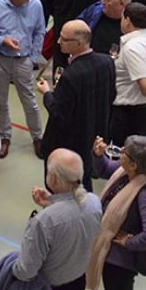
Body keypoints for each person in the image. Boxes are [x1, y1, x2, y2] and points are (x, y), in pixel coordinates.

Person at [0, 148, 102, 290]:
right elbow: (72, 215)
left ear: (53, 179)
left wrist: (7, 265)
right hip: (78, 281)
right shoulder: (94, 203)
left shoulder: (44, 221)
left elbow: (25, 272)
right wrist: (52, 202)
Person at [37, 20, 116, 190]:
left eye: (64, 39)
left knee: (61, 188)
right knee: (84, 181)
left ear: (79, 43)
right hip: (93, 139)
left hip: (68, 144)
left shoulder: (71, 76)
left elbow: (59, 114)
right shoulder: (107, 62)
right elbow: (111, 96)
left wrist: (47, 94)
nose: (58, 42)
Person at [87, 136, 146, 290]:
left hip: (119, 261)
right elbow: (105, 169)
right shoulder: (128, 171)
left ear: (133, 165)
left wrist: (128, 242)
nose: (120, 151)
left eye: (125, 152)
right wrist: (98, 155)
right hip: (107, 246)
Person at [0, 0, 47, 159]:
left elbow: (40, 31)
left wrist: (33, 58)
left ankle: (38, 137)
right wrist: (2, 40)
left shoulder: (36, 4)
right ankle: (4, 136)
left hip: (24, 60)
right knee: (1, 102)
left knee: (30, 102)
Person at [110, 4, 146, 144]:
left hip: (132, 113)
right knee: (140, 148)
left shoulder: (133, 48)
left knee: (125, 152)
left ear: (127, 21)